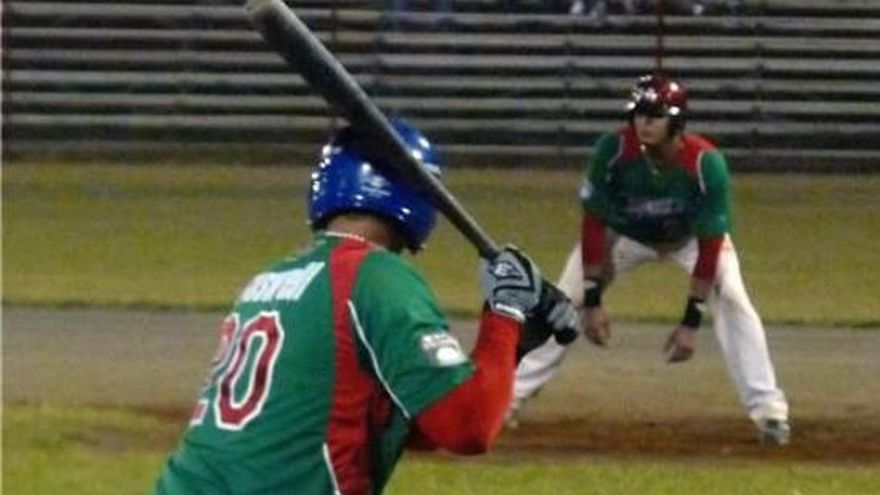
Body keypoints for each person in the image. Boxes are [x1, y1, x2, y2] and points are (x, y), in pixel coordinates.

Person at [153, 119, 577, 495]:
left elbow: (417, 422)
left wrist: (512, 344)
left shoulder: (270, 280)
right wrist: (505, 311)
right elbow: (468, 428)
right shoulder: (374, 276)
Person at [508, 74, 791, 445]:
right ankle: (507, 397)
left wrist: (691, 322)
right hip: (625, 235)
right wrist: (593, 298)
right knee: (563, 300)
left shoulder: (705, 163)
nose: (644, 123)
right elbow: (593, 223)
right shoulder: (613, 151)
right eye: (639, 114)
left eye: (655, 115)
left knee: (734, 298)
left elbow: (709, 244)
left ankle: (769, 412)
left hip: (689, 239)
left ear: (676, 121)